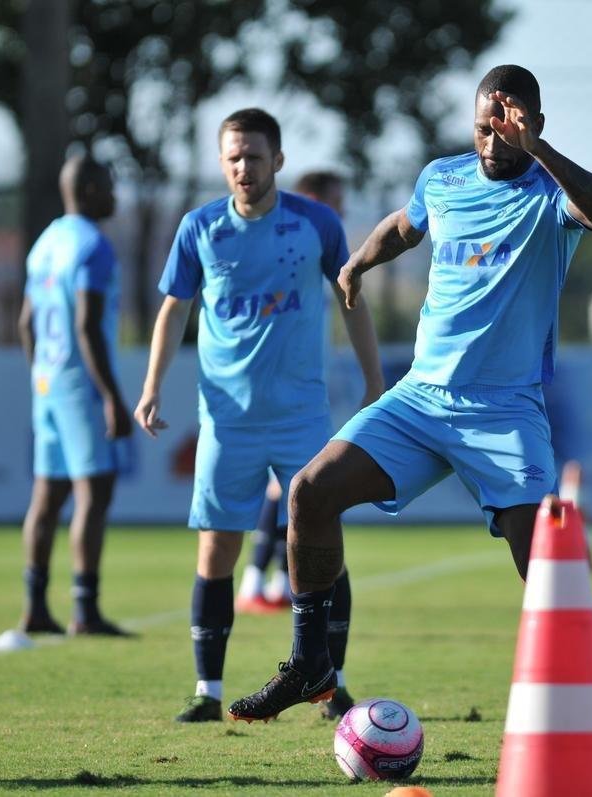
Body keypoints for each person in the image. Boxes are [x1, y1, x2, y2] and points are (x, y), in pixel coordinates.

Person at [227, 64, 592, 722]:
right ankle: (310, 662)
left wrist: (537, 150)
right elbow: (405, 226)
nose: (492, 138)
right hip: (420, 399)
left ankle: (583, 716)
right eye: (482, 127)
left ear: (535, 125)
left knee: (544, 563)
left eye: (508, 125)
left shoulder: (550, 195)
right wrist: (357, 262)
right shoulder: (444, 178)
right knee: (310, 492)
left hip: (503, 409)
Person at [134, 109, 383, 723]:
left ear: (279, 160)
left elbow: (351, 299)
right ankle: (207, 694)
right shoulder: (200, 228)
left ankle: (334, 683)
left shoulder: (316, 224)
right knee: (217, 549)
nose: (244, 167)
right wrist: (152, 386)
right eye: (233, 157)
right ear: (222, 164)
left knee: (323, 548)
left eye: (254, 155)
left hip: (301, 417)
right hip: (227, 421)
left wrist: (376, 382)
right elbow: (174, 311)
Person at [233, 167, 360, 719]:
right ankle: (260, 579)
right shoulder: (286, 238)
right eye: (334, 201)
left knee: (306, 509)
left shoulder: (317, 247)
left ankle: (326, 671)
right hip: (269, 405)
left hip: (304, 399)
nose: (341, 211)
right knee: (295, 501)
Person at [16, 154, 132, 638]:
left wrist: (40, 375)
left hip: (46, 381)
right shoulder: (93, 247)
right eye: (107, 185)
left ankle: (36, 606)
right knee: (94, 491)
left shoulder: (46, 243)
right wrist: (111, 396)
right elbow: (87, 325)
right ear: (87, 190)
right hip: (79, 385)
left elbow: (26, 323)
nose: (115, 195)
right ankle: (85, 610)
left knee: (47, 495)